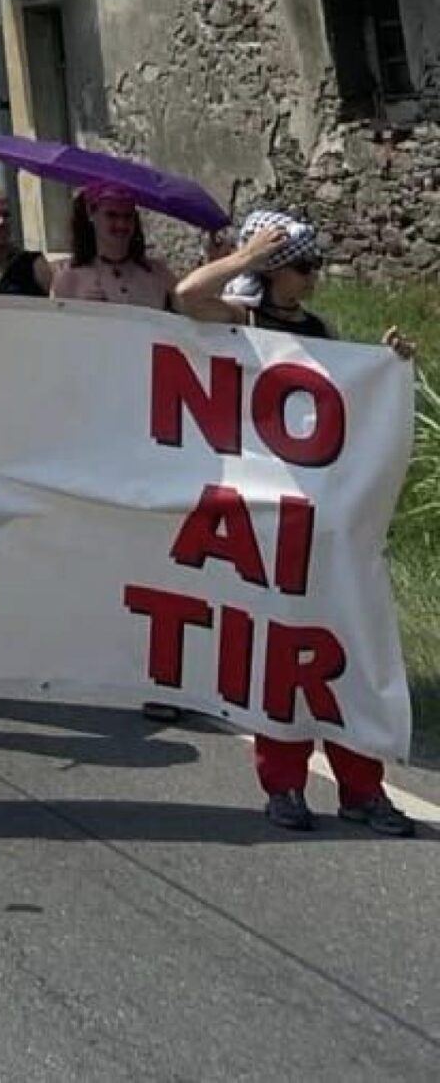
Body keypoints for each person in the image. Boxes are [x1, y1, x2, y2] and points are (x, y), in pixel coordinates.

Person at [175, 210, 417, 836]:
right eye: (304, 268)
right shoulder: (241, 320)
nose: (314, 279)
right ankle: (283, 785)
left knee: (345, 652)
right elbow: (187, 297)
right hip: (266, 517)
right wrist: (245, 258)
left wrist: (387, 364)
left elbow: (350, 400)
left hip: (326, 516)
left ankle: (362, 788)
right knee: (279, 657)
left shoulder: (321, 328)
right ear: (276, 272)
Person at [51, 184, 176, 309]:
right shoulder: (69, 280)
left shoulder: (159, 273)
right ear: (91, 214)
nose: (121, 224)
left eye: (128, 216)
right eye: (111, 215)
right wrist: (83, 311)